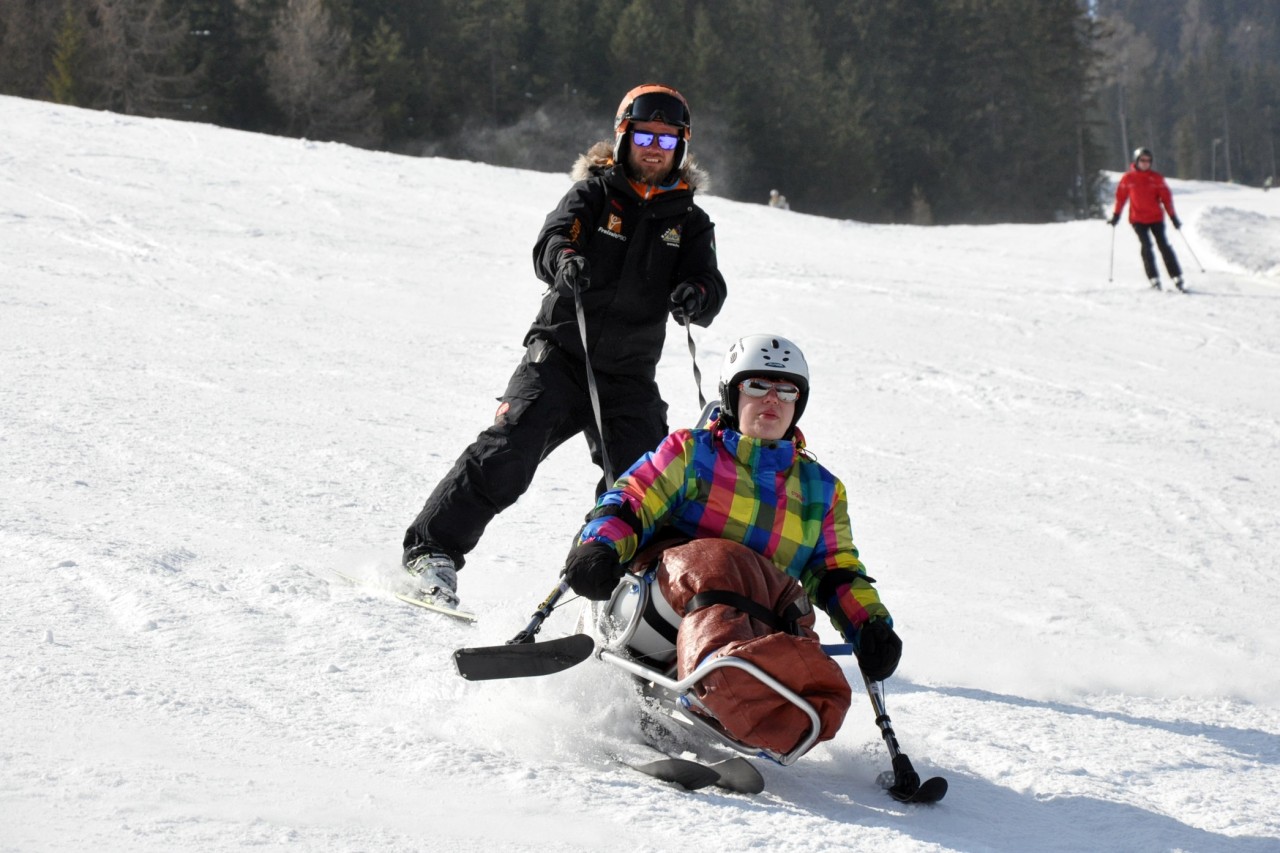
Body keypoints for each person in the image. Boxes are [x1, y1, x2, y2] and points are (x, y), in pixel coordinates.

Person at [401, 83, 728, 610]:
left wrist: (698, 295)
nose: (655, 148)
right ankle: (430, 553)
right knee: (509, 452)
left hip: (628, 374)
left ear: (681, 148)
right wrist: (564, 259)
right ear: (623, 137)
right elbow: (552, 241)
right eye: (645, 135)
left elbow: (709, 283)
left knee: (649, 485)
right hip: (560, 357)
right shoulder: (594, 195)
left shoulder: (689, 221)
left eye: (668, 141)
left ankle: (624, 593)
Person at [562, 334, 902, 690]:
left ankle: (753, 707)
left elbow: (836, 572)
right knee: (719, 564)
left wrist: (869, 625)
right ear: (732, 394)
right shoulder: (692, 453)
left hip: (748, 636)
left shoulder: (821, 490)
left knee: (791, 619)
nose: (773, 399)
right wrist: (598, 545)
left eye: (787, 391)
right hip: (660, 612)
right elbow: (634, 501)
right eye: (757, 386)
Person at [1109, 147, 1185, 292]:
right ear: (1136, 161)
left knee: (1163, 246)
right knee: (1146, 246)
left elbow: (1166, 199)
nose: (1145, 163)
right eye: (1142, 160)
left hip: (1155, 217)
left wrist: (1173, 217)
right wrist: (1116, 215)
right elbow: (1120, 198)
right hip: (1137, 219)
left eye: (1148, 161)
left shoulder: (1156, 178)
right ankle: (1153, 277)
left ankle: (1176, 276)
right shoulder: (1128, 178)